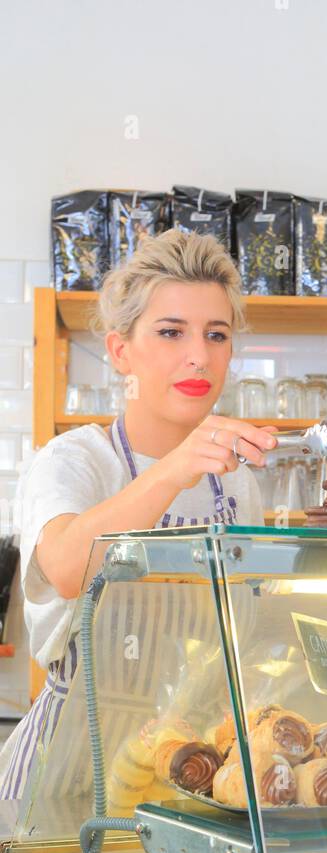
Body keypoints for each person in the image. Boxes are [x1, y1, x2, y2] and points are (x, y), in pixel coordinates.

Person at [0, 228, 277, 804]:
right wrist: (173, 468)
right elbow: (67, 566)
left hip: (185, 772)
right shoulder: (73, 461)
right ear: (121, 350)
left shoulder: (237, 484)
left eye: (216, 334)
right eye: (171, 332)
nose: (198, 354)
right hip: (70, 775)